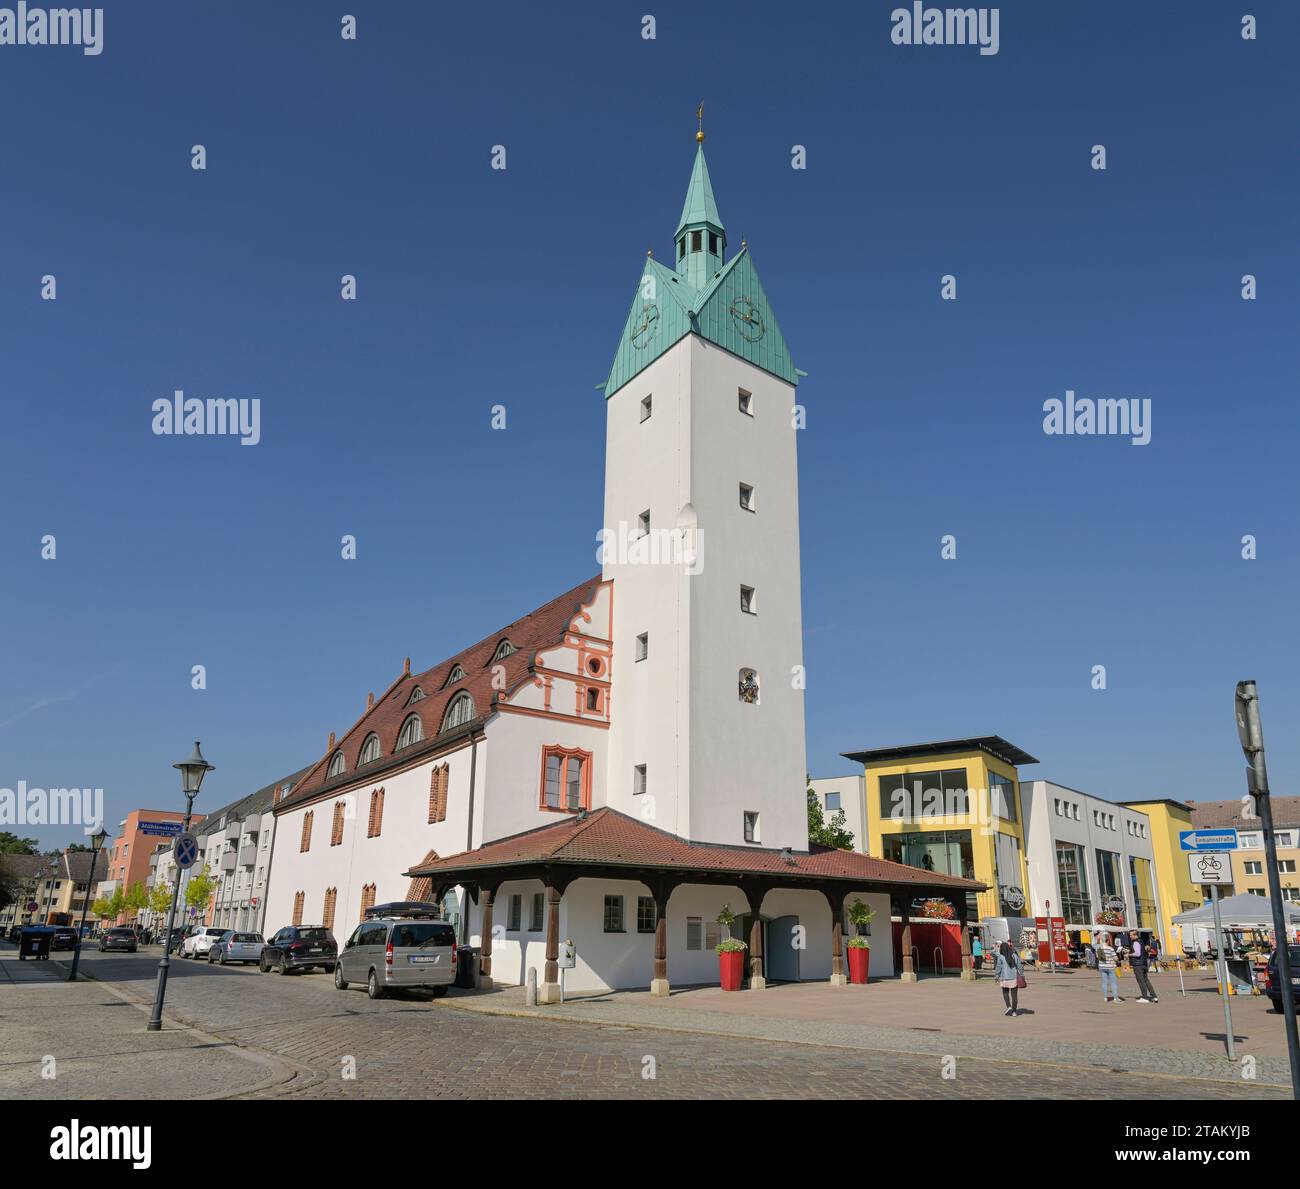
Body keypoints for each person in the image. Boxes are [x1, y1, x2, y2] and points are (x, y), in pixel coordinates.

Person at [993, 940, 1025, 1016]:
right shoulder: (1014, 955)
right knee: (1014, 996)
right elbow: (1019, 966)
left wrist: (997, 976)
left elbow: (998, 967)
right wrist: (1022, 974)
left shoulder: (1001, 957)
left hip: (1004, 978)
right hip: (1014, 978)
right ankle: (1014, 1012)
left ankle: (1008, 1007)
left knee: (1005, 993)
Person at [1128, 930, 1159, 1003]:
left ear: (1135, 935)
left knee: (1141, 981)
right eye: (1130, 935)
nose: (1130, 936)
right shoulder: (1141, 941)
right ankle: (1154, 996)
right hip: (1143, 963)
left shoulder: (1135, 942)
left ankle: (1145, 997)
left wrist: (1129, 954)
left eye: (1131, 935)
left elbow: (1137, 954)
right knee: (1146, 980)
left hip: (1138, 964)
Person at [1096, 931, 1123, 1002]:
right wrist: (1118, 960)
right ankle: (1115, 998)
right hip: (1110, 967)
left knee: (1104, 982)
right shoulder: (1110, 948)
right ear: (1108, 940)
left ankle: (1105, 998)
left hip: (1102, 967)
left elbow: (1097, 957)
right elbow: (1115, 958)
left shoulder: (1099, 948)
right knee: (1113, 982)